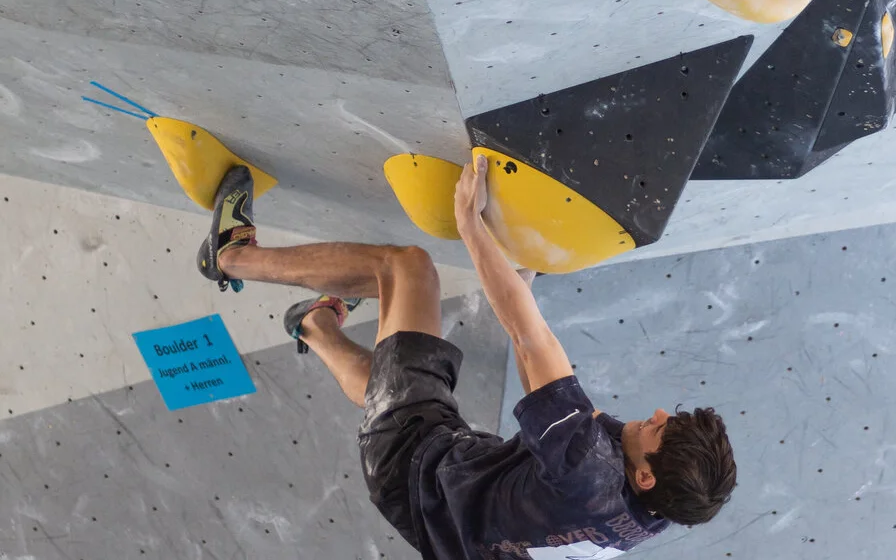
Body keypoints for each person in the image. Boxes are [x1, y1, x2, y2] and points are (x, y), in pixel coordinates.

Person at [194, 158, 737, 560]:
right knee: (403, 386)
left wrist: (473, 227)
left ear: (644, 477)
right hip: (440, 520)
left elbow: (530, 339)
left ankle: (233, 255)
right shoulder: (655, 514)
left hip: (416, 466)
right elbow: (551, 403)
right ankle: (313, 325)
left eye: (661, 430)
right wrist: (521, 282)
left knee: (407, 268)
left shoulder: (590, 469)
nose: (661, 414)